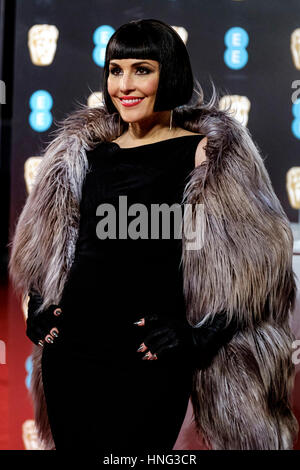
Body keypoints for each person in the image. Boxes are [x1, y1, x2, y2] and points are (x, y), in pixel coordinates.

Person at [9, 18, 298, 451]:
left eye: (142, 69)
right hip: (72, 356)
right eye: (115, 70)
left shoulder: (208, 152)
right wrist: (38, 305)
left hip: (149, 357)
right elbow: (45, 249)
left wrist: (196, 335)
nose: (125, 84)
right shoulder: (82, 154)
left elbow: (256, 269)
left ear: (172, 73)